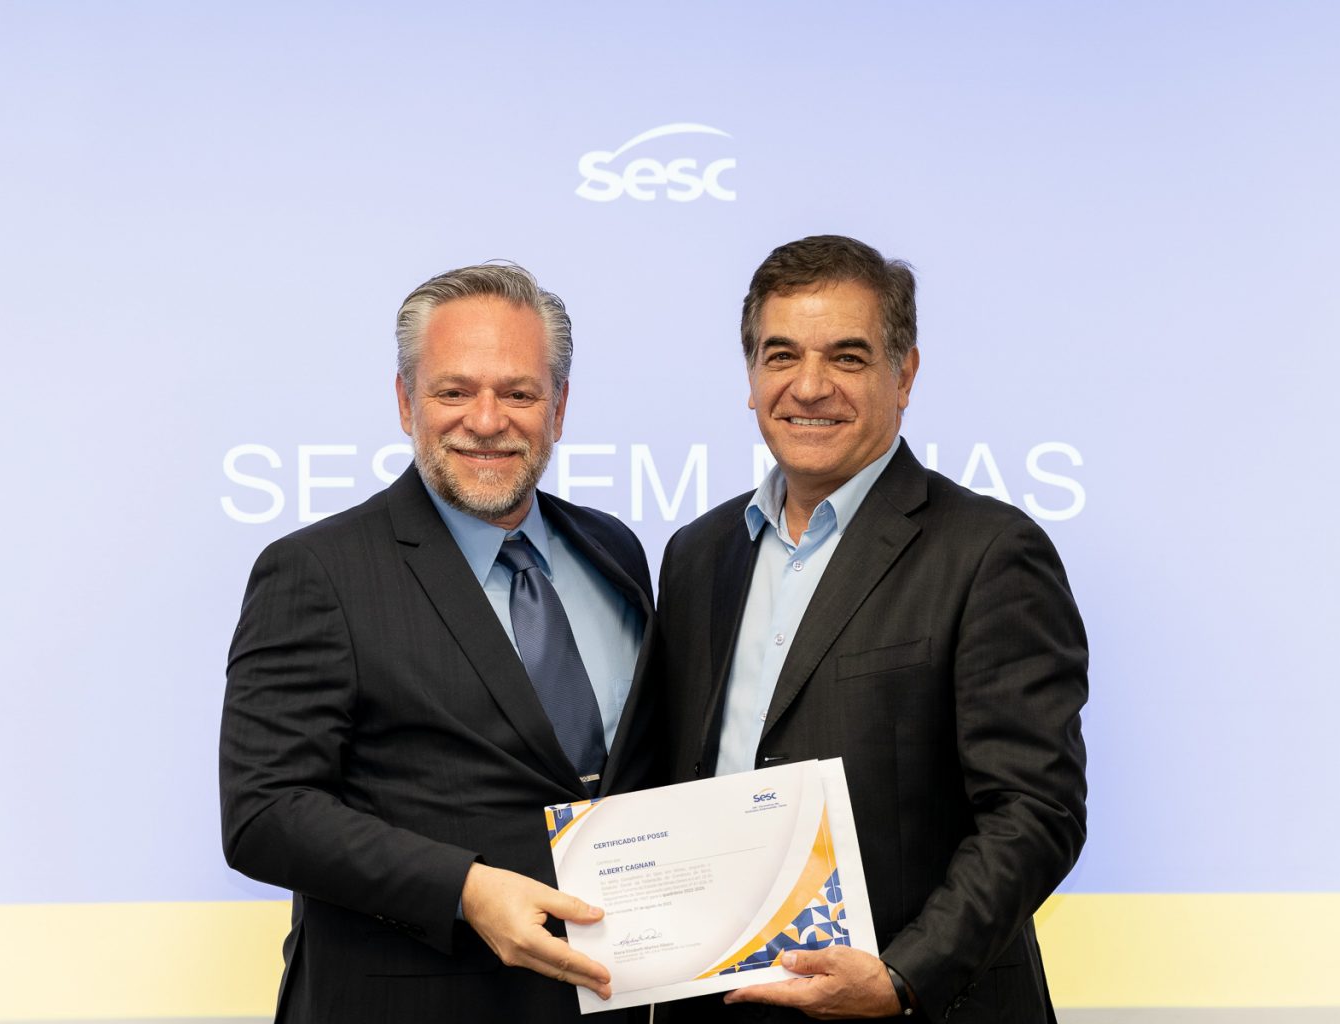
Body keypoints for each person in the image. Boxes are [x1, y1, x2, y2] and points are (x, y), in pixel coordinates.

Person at [656, 236, 1087, 1022]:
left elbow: (1035, 813)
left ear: (904, 374)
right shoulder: (698, 555)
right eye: (781, 355)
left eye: (847, 357)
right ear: (751, 377)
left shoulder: (989, 553)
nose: (809, 386)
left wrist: (902, 978)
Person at [220, 262, 662, 1023]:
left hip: (610, 997)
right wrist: (465, 888)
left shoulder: (613, 550)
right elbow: (265, 812)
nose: (486, 421)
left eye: (518, 393)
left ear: (559, 407)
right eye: (454, 392)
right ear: (405, 401)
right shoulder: (318, 571)